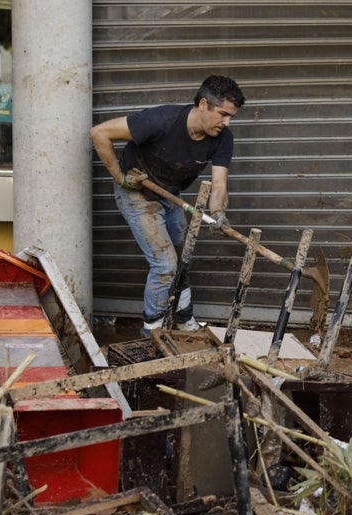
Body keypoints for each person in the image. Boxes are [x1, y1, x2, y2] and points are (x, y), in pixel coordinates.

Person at [90, 74, 246, 332]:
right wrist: (120, 177)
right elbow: (99, 133)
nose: (227, 122)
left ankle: (184, 319)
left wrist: (218, 212)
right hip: (137, 192)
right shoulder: (161, 120)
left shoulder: (222, 139)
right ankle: (152, 332)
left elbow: (219, 186)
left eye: (231, 116)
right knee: (165, 264)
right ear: (204, 105)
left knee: (182, 257)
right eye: (223, 114)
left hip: (170, 195)